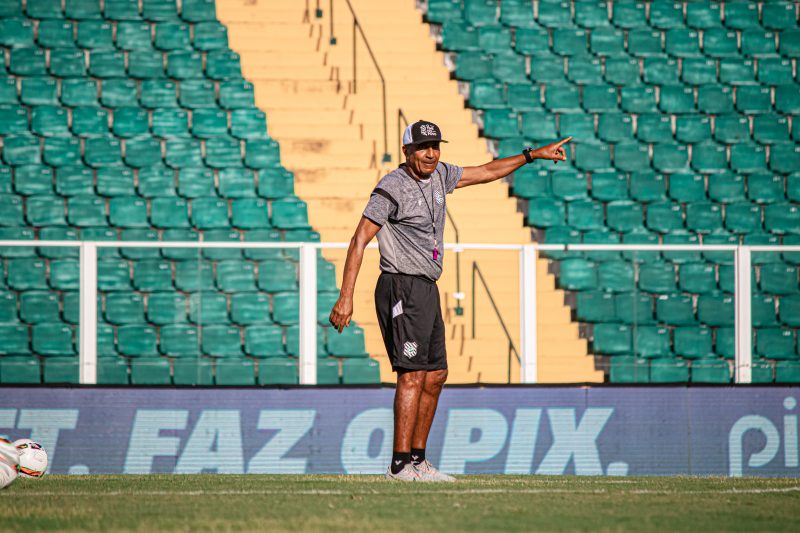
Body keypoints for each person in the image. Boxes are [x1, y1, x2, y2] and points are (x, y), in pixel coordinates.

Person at [329, 120, 571, 481]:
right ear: (407, 151)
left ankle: (418, 460)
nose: (431, 154)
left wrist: (532, 155)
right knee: (412, 374)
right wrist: (345, 297)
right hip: (401, 286)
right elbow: (359, 239)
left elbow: (486, 171)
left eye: (435, 146)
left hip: (426, 287)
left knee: (436, 374)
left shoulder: (441, 174)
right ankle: (399, 464)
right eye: (423, 148)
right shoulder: (392, 186)